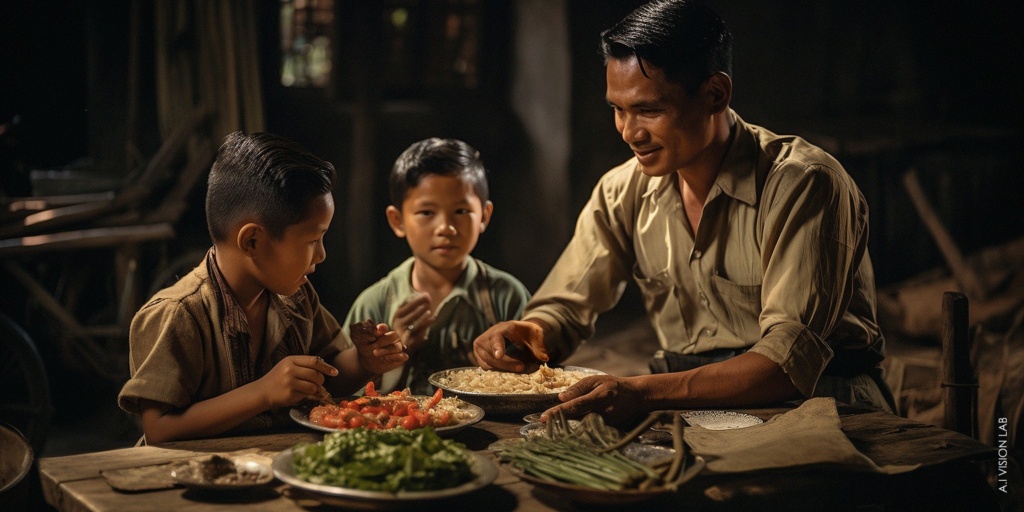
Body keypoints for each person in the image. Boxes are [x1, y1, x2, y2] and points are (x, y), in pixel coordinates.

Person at [473, 0, 894, 426]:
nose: (629, 132)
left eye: (649, 110)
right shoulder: (623, 191)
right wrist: (532, 333)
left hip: (825, 402)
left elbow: (785, 361)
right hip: (689, 401)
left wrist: (639, 389)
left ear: (715, 94)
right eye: (618, 109)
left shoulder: (804, 184)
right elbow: (566, 306)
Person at [118, 131, 408, 444]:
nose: (322, 255)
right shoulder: (178, 314)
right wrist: (262, 394)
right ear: (252, 241)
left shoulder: (296, 297)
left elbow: (325, 376)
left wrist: (365, 361)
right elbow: (158, 429)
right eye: (312, 240)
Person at [344, 138, 531, 394]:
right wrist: (389, 356)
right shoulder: (375, 304)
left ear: (484, 216)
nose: (446, 228)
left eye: (462, 211)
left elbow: (537, 377)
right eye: (427, 213)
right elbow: (345, 391)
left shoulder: (507, 296)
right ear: (397, 220)